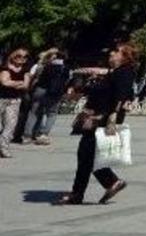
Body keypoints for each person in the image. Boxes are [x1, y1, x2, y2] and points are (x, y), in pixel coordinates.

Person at [54, 43, 138, 205]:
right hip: (98, 117)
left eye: (115, 52)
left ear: (125, 56)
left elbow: (122, 95)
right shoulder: (115, 72)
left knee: (86, 155)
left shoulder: (124, 72)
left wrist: (113, 117)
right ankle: (108, 183)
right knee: (89, 155)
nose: (111, 54)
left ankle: (81, 193)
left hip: (101, 119)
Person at [25, 48, 71, 144]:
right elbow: (66, 82)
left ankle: (27, 135)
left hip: (41, 89)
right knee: (52, 113)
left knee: (34, 112)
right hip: (55, 92)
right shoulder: (66, 68)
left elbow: (40, 78)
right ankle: (44, 134)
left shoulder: (48, 66)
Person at [0, 48, 32, 158]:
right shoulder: (4, 68)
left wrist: (12, 82)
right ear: (13, 56)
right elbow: (4, 82)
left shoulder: (25, 70)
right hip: (1, 99)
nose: (22, 59)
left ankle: (4, 148)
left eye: (25, 57)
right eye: (19, 56)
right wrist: (18, 82)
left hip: (15, 100)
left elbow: (26, 85)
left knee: (10, 125)